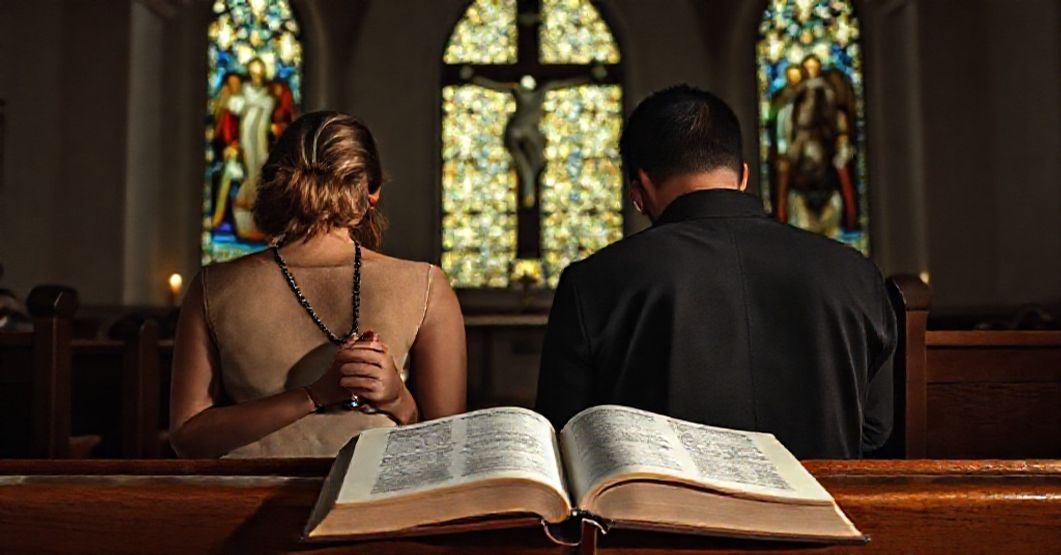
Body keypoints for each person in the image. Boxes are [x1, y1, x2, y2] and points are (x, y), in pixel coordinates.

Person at [535, 85, 895, 459]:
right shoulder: (855, 273)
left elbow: (564, 441)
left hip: (659, 517)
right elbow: (874, 430)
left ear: (638, 191)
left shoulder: (592, 282)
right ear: (742, 176)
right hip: (822, 512)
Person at [171, 111, 467, 458]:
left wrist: (393, 397)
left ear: (275, 183)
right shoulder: (427, 286)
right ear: (372, 191)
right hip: (376, 506)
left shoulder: (213, 286)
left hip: (245, 502)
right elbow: (447, 451)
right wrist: (328, 396)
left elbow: (188, 438)